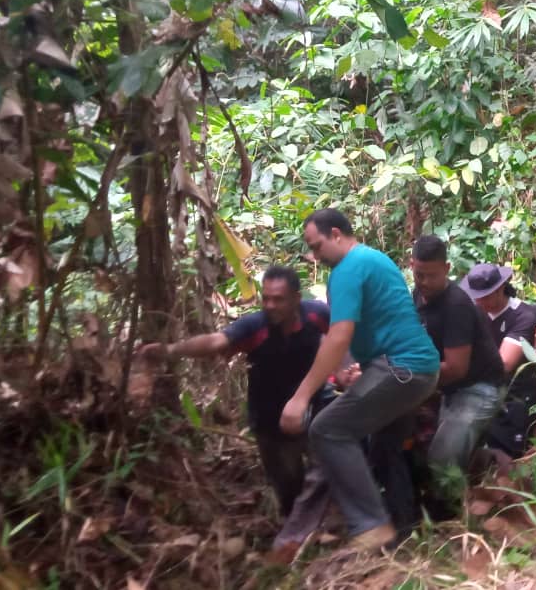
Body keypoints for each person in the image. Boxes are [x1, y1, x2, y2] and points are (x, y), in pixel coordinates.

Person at [138, 266, 332, 558]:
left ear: (295, 297)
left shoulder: (316, 314)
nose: (270, 305)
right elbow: (217, 342)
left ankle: (313, 528)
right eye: (265, 298)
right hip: (269, 422)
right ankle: (298, 542)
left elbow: (345, 334)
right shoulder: (255, 327)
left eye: (278, 299)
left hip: (313, 408)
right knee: (288, 482)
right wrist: (170, 350)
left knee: (329, 459)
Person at [279, 209, 439, 550]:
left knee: (328, 430)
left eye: (318, 246)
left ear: (336, 234)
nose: (315, 256)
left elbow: (338, 337)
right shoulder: (375, 259)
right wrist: (366, 370)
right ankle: (401, 534)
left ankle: (371, 525)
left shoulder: (347, 269)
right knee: (384, 445)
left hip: (402, 369)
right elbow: (388, 322)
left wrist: (301, 397)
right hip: (416, 369)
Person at [410, 235, 505, 506]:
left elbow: (456, 368)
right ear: (411, 266)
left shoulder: (457, 305)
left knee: (443, 456)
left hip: (479, 387)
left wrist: (405, 377)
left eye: (432, 275)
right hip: (446, 386)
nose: (425, 282)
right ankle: (481, 466)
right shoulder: (417, 294)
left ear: (448, 269)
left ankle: (452, 516)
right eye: (419, 275)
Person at [459, 264, 536, 459]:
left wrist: (462, 365)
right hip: (480, 393)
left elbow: (504, 364)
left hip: (514, 397)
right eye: (477, 297)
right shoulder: (475, 311)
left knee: (510, 456)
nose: (481, 302)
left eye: (486, 296)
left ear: (500, 289)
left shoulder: (523, 317)